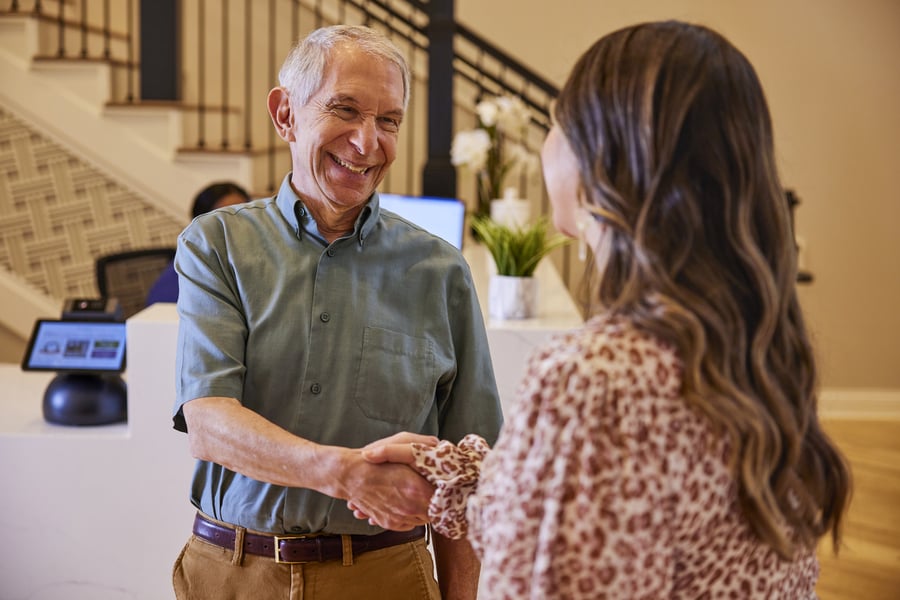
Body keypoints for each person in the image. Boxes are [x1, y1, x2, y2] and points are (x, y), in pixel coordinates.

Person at [360, 20, 852, 598]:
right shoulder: (760, 347)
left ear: (603, 163)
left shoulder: (593, 380)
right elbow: (642, 512)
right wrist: (464, 479)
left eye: (556, 123)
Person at [170, 25, 502, 600]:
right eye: (344, 110)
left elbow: (467, 480)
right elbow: (209, 423)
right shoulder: (216, 245)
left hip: (388, 576)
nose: (368, 142)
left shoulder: (441, 272)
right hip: (233, 574)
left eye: (389, 120)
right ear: (285, 115)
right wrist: (341, 471)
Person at [144, 181, 249, 306]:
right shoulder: (187, 270)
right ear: (200, 225)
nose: (237, 224)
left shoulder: (249, 257)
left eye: (243, 214)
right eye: (224, 219)